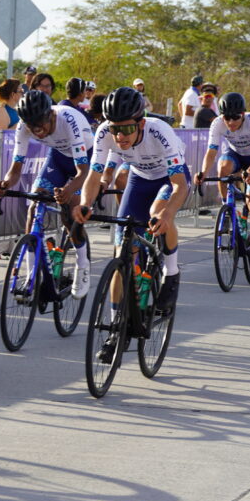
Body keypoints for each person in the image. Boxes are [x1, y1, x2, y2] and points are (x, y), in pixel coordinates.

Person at [75, 87, 191, 328]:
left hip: (168, 179)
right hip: (139, 179)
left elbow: (180, 186)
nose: (119, 137)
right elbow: (94, 176)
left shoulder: (159, 131)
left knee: (157, 212)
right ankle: (116, 321)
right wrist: (85, 204)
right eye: (115, 129)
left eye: (126, 128)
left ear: (140, 123)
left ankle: (171, 272)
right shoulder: (105, 131)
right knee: (122, 253)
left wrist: (167, 214)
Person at [0, 89, 93, 298]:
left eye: (40, 125)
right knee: (34, 205)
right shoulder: (24, 125)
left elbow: (82, 172)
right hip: (57, 158)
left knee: (71, 212)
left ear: (51, 115)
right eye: (32, 127)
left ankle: (83, 264)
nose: (37, 131)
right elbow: (15, 169)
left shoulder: (69, 119)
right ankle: (32, 274)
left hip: (83, 160)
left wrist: (68, 190)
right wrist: (4, 185)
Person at [193, 92, 250, 274]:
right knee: (223, 168)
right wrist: (202, 172)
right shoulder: (217, 123)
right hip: (234, 154)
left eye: (236, 117)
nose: (231, 122)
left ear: (242, 114)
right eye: (227, 117)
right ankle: (227, 208)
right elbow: (211, 153)